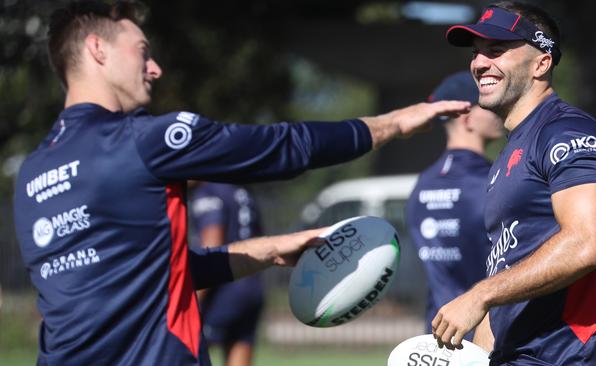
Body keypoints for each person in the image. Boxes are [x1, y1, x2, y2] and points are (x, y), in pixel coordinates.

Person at [12, 2, 471, 365]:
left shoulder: (32, 174)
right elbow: (282, 147)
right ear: (98, 49)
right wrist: (393, 123)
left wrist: (268, 251)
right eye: (143, 51)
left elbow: (148, 274)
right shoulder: (144, 140)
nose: (155, 69)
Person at [429, 1, 596, 365]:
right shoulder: (508, 154)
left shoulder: (569, 132)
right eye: (477, 53)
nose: (479, 63)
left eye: (497, 50)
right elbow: (502, 269)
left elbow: (586, 244)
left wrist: (479, 296)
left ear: (542, 62)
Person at [405, 71, 503, 338]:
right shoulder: (493, 182)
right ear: (468, 116)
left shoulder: (422, 184)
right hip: (487, 337)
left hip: (437, 335)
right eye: (488, 104)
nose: (499, 111)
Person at [189, 182, 265, 366]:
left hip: (223, 290)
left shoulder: (208, 192)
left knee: (183, 349)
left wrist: (192, 299)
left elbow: (212, 244)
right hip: (253, 285)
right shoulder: (241, 190)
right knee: (239, 346)